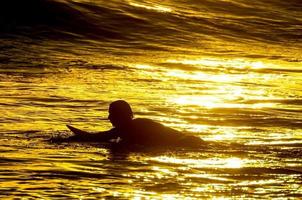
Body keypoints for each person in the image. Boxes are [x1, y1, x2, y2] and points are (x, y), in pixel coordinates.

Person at [54, 100, 205, 148]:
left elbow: (96, 137)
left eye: (112, 114)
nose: (109, 118)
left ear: (122, 115)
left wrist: (66, 141)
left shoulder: (131, 127)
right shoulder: (133, 126)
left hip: (187, 143)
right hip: (190, 141)